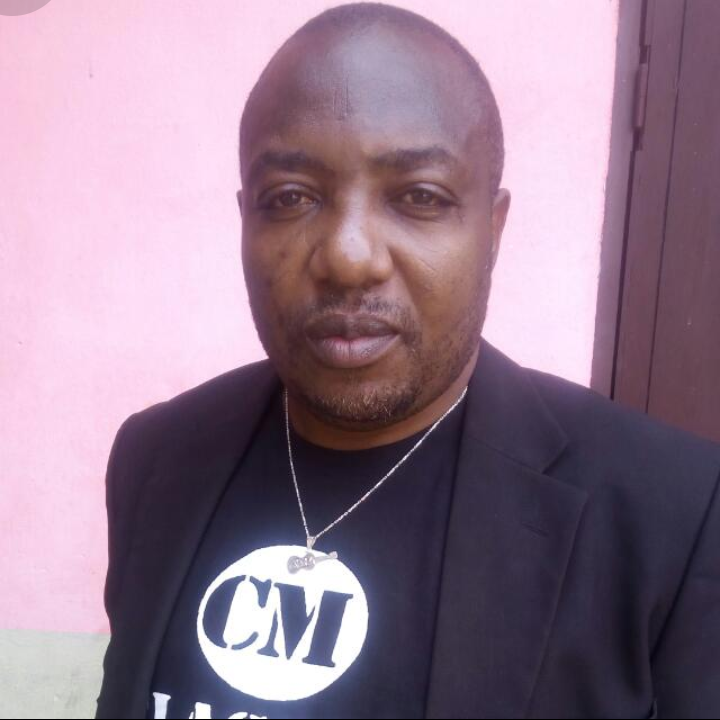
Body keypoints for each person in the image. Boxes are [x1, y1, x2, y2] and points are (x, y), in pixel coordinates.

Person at [96, 4, 720, 718]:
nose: (348, 257)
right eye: (291, 197)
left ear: (492, 229)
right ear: (246, 221)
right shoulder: (156, 461)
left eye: (419, 196)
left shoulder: (672, 517)